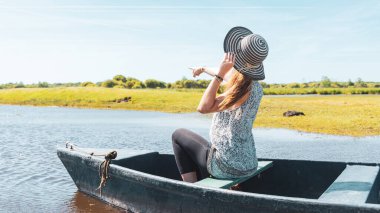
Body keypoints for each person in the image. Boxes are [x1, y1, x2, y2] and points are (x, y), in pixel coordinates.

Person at [172, 26, 269, 183]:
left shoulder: (239, 91)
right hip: (248, 163)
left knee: (177, 135)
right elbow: (231, 76)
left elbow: (202, 108)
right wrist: (202, 69)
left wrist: (219, 75)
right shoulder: (255, 86)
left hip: (227, 167)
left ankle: (190, 189)